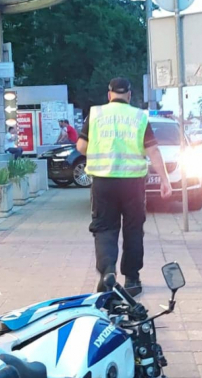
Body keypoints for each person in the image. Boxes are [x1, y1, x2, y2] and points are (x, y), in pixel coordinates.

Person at [77, 77, 172, 297]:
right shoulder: (139, 117)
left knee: (104, 228)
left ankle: (107, 271)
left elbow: (81, 146)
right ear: (129, 95)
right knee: (133, 230)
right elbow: (154, 152)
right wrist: (165, 180)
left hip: (103, 182)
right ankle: (132, 279)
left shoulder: (96, 114)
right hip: (133, 184)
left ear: (109, 95)